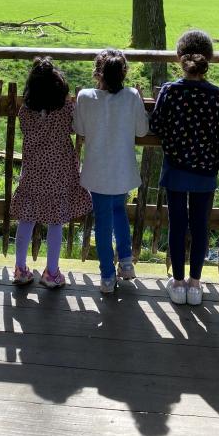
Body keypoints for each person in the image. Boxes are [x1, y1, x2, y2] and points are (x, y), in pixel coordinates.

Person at [150, 30, 219, 306]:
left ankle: (177, 282)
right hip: (205, 171)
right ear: (208, 59)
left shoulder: (170, 91)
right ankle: (195, 284)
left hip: (176, 168)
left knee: (177, 225)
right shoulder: (217, 95)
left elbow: (156, 126)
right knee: (199, 226)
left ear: (179, 58)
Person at [10, 57, 92, 288]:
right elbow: (76, 127)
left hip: (33, 173)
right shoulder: (65, 110)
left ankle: (20, 269)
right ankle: (52, 273)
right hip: (59, 174)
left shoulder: (25, 112)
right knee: (56, 222)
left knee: (27, 219)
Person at [73, 49, 149, 294]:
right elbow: (142, 131)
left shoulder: (85, 96)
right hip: (123, 170)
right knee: (119, 212)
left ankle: (107, 275)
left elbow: (79, 128)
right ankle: (126, 262)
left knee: (103, 222)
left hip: (98, 172)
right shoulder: (132, 96)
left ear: (98, 73)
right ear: (123, 72)